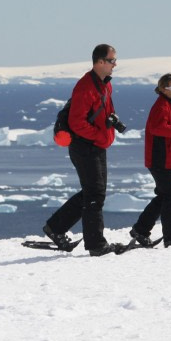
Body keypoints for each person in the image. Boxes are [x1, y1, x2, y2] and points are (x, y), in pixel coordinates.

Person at [42, 44, 127, 256]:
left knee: (94, 192)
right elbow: (77, 122)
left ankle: (56, 227)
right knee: (94, 194)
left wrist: (110, 124)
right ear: (99, 62)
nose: (115, 64)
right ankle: (96, 244)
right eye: (111, 60)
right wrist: (100, 135)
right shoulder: (85, 86)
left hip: (97, 146)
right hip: (84, 146)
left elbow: (103, 111)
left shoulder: (104, 84)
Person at [130, 73, 171, 248]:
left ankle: (141, 229)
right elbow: (157, 127)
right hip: (160, 159)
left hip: (166, 158)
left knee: (164, 195)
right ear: (163, 89)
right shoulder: (161, 106)